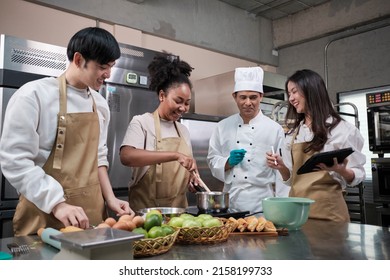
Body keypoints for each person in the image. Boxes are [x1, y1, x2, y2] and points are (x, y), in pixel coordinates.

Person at [0, 27, 133, 236]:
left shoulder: (100, 104)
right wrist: (57, 203)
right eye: (102, 67)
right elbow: (15, 161)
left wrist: (110, 198)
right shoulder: (33, 95)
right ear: (79, 59)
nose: (108, 74)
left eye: (111, 67)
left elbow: (98, 157)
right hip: (42, 215)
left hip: (90, 217)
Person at [266, 69, 366, 222]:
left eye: (294, 92)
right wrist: (281, 167)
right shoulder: (294, 133)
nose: (291, 98)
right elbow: (292, 179)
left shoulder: (343, 130)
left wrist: (342, 170)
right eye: (289, 94)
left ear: (310, 90)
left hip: (329, 213)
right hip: (296, 214)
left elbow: (358, 174)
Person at [120, 53, 198, 211]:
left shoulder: (183, 130)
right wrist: (175, 155)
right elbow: (126, 156)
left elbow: (182, 169)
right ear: (162, 95)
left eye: (187, 103)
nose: (183, 108)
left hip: (179, 217)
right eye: (178, 101)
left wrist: (190, 177)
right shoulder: (142, 122)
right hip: (147, 216)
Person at [207, 66, 289, 214]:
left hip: (263, 206)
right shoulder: (222, 127)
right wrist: (227, 162)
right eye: (243, 97)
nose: (248, 102)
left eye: (253, 97)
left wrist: (281, 209)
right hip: (230, 204)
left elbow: (282, 173)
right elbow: (212, 160)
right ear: (234, 97)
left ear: (261, 97)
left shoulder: (274, 129)